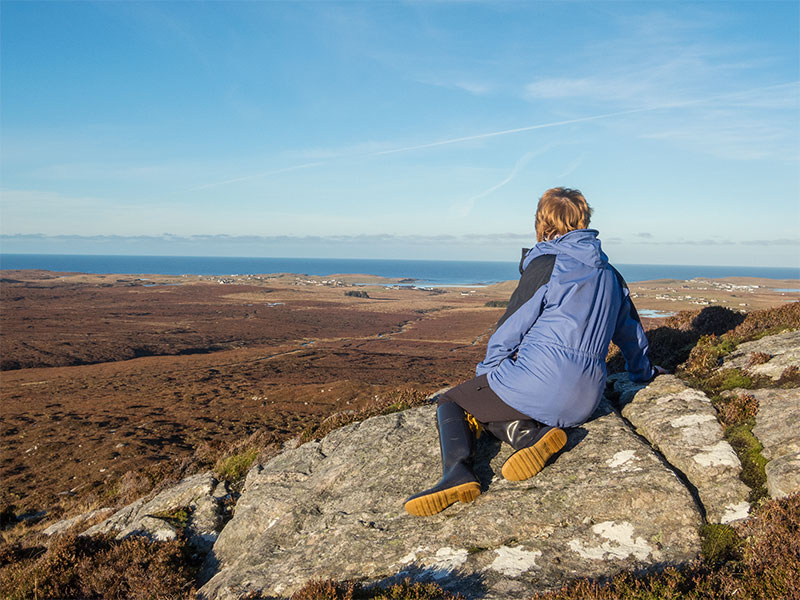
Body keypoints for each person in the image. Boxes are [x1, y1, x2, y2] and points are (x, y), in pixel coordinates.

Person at [404, 187, 665, 517]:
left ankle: (457, 474)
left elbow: (509, 329)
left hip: (539, 386)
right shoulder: (611, 275)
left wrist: (486, 381)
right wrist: (645, 374)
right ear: (584, 220)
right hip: (585, 402)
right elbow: (632, 336)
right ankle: (530, 435)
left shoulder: (548, 264)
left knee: (454, 400)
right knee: (501, 398)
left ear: (543, 222)